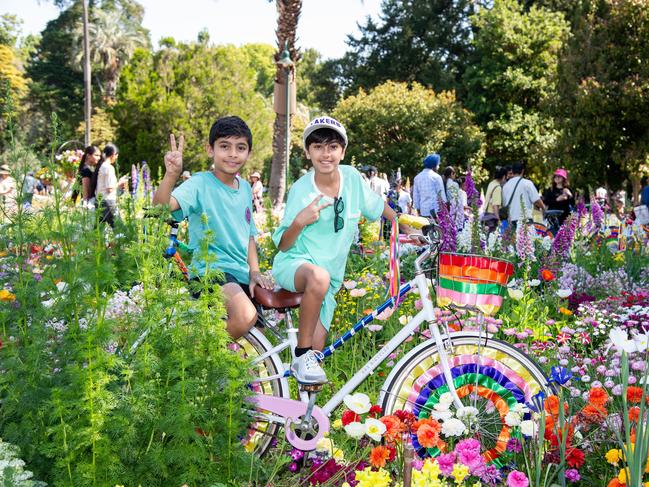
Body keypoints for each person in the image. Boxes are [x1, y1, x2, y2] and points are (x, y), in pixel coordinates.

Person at [271, 117, 397, 384]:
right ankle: (300, 353)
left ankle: (302, 416)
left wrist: (404, 226)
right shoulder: (302, 190)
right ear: (308, 152)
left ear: (343, 151)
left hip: (329, 281)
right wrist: (300, 220)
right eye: (317, 147)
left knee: (314, 368)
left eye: (332, 146)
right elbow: (283, 244)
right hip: (295, 264)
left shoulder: (351, 177)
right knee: (318, 281)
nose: (325, 154)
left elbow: (376, 205)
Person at [152, 116, 273, 339]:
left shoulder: (245, 188)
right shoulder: (200, 184)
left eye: (241, 147)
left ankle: (231, 370)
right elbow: (161, 208)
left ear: (248, 153)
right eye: (224, 146)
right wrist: (171, 174)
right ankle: (202, 361)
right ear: (210, 150)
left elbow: (249, 235)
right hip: (211, 272)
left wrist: (254, 271)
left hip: (241, 275)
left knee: (260, 337)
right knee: (245, 316)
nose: (233, 154)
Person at [501, 161, 545, 228]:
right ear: (522, 171)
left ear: (512, 171)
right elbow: (536, 200)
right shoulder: (527, 183)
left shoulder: (505, 186)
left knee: (514, 238)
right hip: (526, 220)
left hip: (511, 220)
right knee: (526, 238)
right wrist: (543, 208)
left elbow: (504, 203)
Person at [92, 143, 123, 227]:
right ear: (113, 155)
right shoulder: (108, 167)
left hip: (99, 202)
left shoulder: (101, 166)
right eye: (116, 155)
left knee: (98, 232)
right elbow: (110, 188)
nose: (116, 158)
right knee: (120, 229)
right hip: (108, 202)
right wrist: (120, 182)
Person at [412, 153, 446, 218]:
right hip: (436, 212)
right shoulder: (436, 177)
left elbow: (416, 197)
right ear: (434, 165)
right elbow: (442, 196)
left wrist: (419, 212)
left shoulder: (417, 178)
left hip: (423, 212)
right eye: (438, 165)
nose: (438, 167)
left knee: (425, 228)